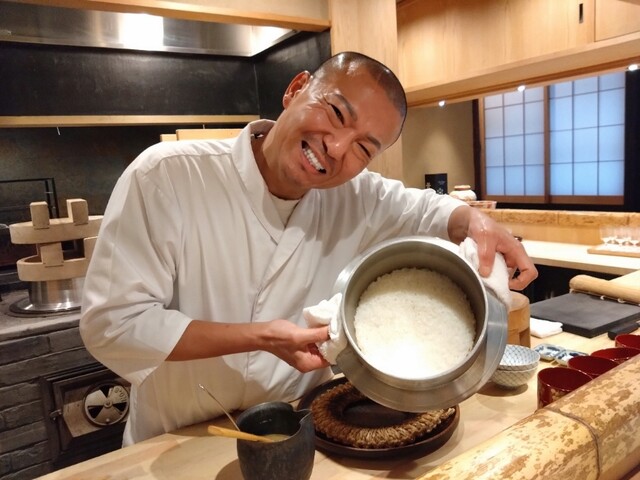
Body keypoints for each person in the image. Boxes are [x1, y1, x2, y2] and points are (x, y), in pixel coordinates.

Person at [80, 51, 537, 446]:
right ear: (296, 89)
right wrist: (262, 336)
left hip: (296, 434)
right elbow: (114, 324)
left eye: (364, 148)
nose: (336, 148)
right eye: (336, 113)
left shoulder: (357, 196)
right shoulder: (168, 175)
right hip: (177, 440)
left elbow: (429, 210)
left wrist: (476, 221)